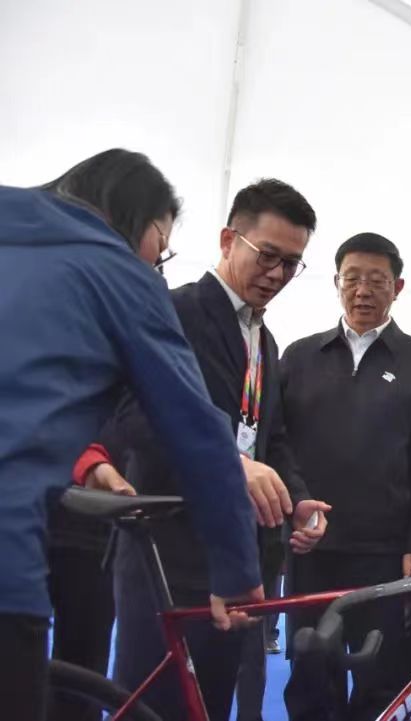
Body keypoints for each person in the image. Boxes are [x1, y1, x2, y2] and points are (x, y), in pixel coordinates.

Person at [0, 149, 262, 721]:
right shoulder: (122, 277)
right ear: (137, 220)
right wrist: (237, 571)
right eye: (161, 246)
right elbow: (196, 432)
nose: (158, 264)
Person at [93, 179, 330, 721]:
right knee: (153, 705)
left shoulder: (264, 340)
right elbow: (135, 416)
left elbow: (270, 436)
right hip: (167, 550)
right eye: (267, 255)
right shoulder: (171, 310)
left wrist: (297, 499)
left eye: (291, 264)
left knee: (212, 703)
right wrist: (228, 461)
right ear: (228, 240)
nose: (277, 274)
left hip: (235, 556)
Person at [281, 233, 411, 721]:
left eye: (377, 280)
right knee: (311, 676)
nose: (363, 291)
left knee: (384, 679)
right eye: (352, 278)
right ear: (336, 282)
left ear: (398, 287)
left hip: (385, 554)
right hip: (313, 549)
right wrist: (296, 507)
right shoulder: (300, 356)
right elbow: (279, 444)